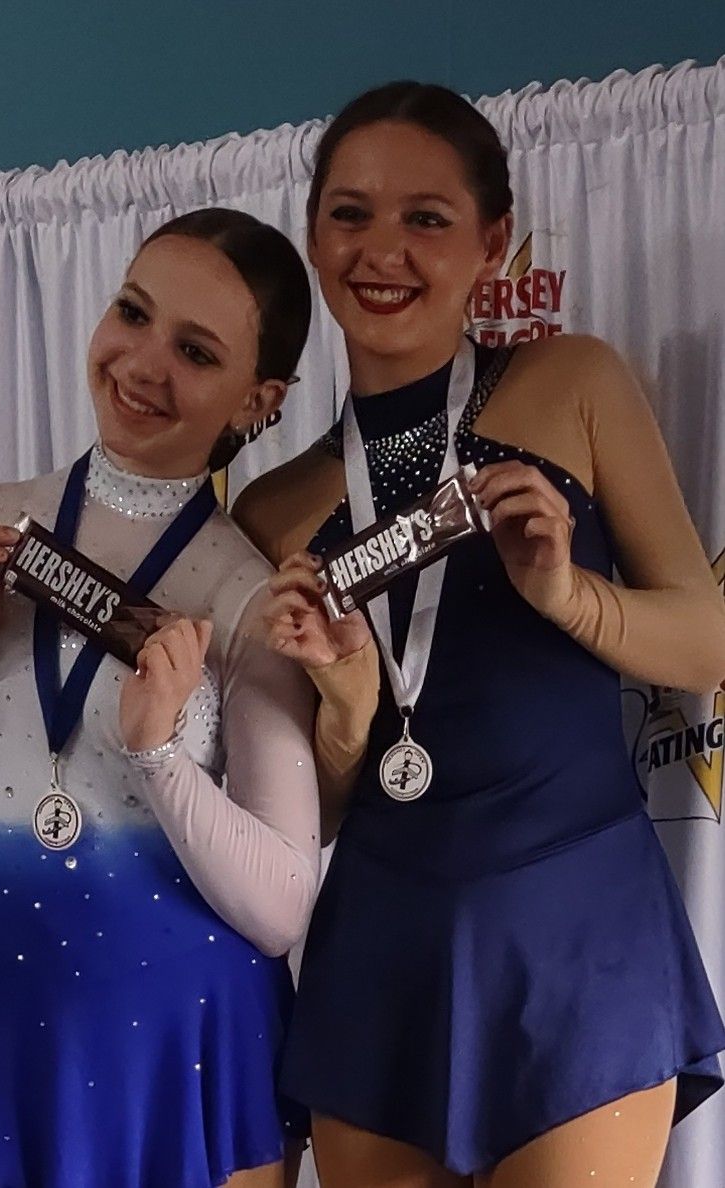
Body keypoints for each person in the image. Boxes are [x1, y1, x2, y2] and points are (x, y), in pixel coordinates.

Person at [234, 81, 725, 1188]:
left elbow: (706, 646)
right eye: (351, 214)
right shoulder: (271, 512)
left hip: (577, 933)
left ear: (492, 242)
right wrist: (350, 705)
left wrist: (567, 596)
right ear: (312, 233)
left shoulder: (571, 384)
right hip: (378, 948)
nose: (383, 250)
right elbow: (310, 816)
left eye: (426, 217)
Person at [0, 208, 321, 1188]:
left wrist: (159, 757)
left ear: (259, 398)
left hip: (191, 1043)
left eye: (195, 351)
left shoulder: (246, 594)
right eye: (133, 312)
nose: (143, 364)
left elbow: (282, 908)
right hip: (12, 1017)